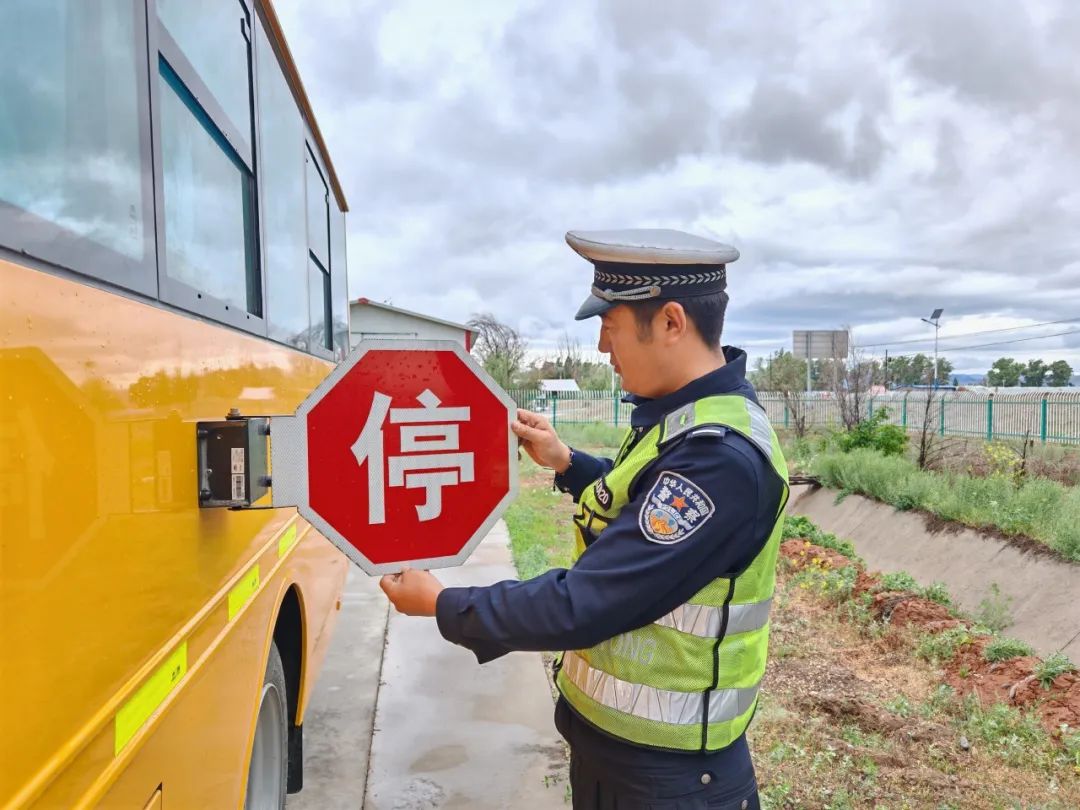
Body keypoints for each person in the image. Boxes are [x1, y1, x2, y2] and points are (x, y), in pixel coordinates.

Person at [380, 229, 789, 809]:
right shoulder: (685, 420)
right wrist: (568, 462)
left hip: (671, 784)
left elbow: (586, 603)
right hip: (624, 762)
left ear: (671, 322)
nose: (602, 347)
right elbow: (643, 501)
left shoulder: (720, 456)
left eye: (610, 326)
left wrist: (444, 604)